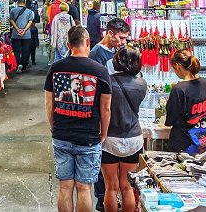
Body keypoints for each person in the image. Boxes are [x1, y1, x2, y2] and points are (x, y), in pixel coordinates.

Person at [44, 26, 112, 212]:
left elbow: (49, 103)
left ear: (68, 44)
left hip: (62, 135)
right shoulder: (100, 71)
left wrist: (54, 127)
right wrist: (103, 133)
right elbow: (105, 108)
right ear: (88, 43)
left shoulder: (56, 68)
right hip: (89, 138)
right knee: (84, 188)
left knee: (65, 187)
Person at [89, 17, 130, 210]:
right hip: (102, 114)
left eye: (125, 39)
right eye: (121, 37)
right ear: (110, 33)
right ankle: (101, 199)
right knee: (102, 160)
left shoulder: (116, 51)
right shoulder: (97, 54)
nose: (123, 42)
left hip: (115, 112)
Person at [102, 48, 147, 212]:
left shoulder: (108, 81)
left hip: (110, 139)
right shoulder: (142, 84)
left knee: (111, 187)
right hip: (133, 138)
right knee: (127, 186)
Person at [165, 50, 206, 155]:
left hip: (183, 145)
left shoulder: (179, 89)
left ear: (177, 66)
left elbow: (170, 119)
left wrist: (173, 91)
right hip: (205, 141)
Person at [9, 0, 34, 73]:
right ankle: (23, 65)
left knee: (16, 51)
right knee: (26, 51)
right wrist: (24, 30)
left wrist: (17, 29)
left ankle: (18, 64)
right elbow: (30, 22)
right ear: (25, 2)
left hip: (15, 35)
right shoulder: (29, 11)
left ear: (17, 2)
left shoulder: (12, 10)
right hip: (26, 35)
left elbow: (11, 20)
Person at [29, 0, 41, 65]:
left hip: (27, 42)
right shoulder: (35, 29)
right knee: (33, 52)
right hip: (33, 43)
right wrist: (37, 44)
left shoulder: (27, 28)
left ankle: (27, 61)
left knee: (27, 52)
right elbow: (36, 37)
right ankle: (33, 61)